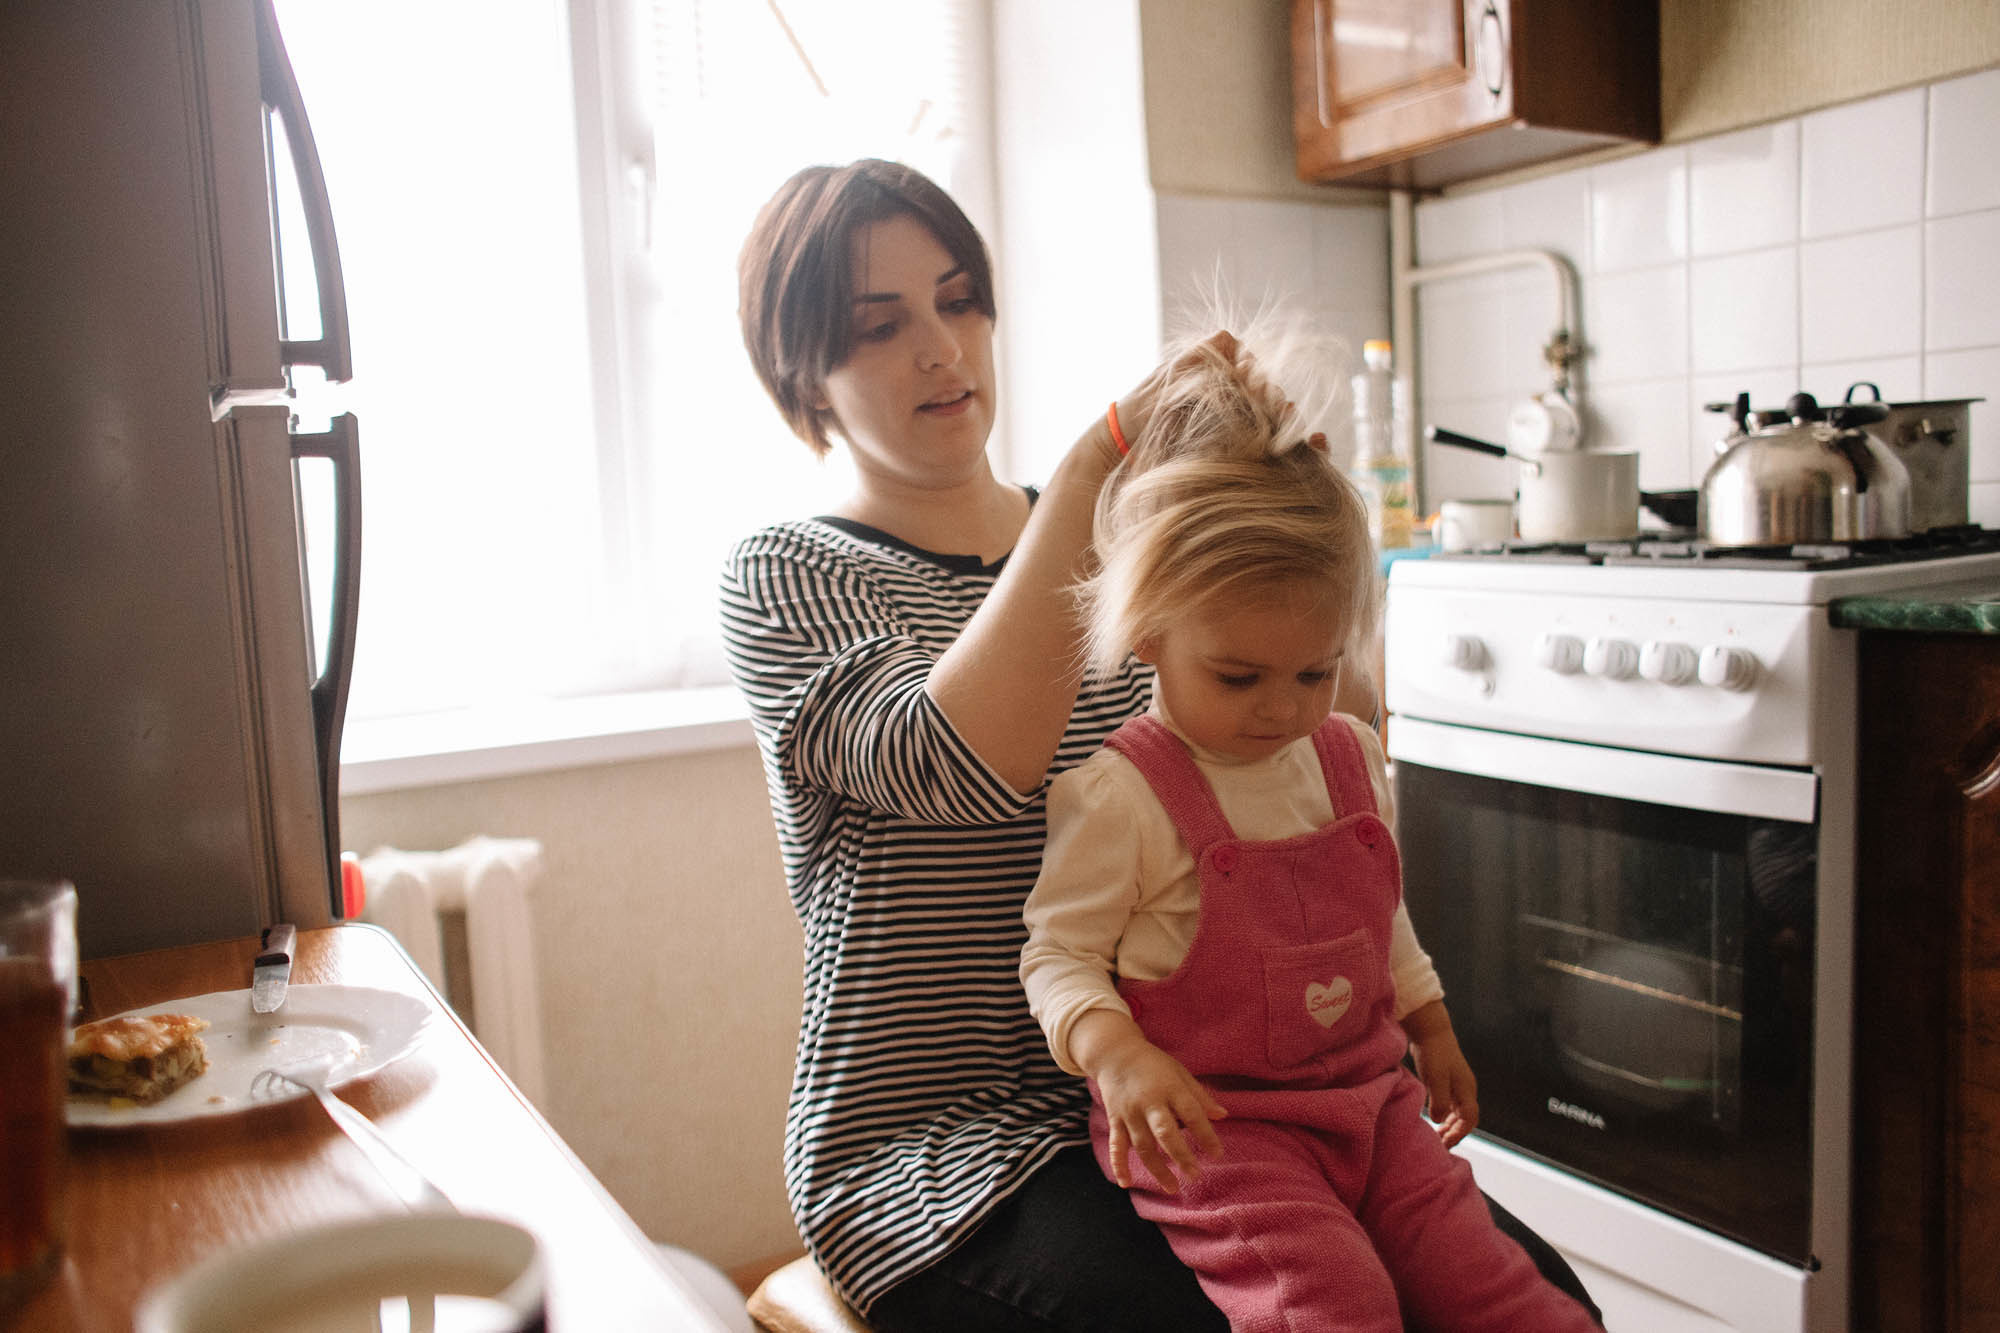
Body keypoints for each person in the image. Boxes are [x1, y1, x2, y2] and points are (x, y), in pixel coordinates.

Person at [722, 156, 1600, 1332]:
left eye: (959, 301)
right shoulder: (788, 574)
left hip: (1235, 1100)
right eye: (880, 326)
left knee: (1544, 1301)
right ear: (801, 374)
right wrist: (1097, 464)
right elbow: (962, 762)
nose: (941, 348)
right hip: (945, 1151)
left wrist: (1299, 544)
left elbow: (1319, 745)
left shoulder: (1139, 538)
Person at [1019, 329, 1602, 1331]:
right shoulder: (1124, 795)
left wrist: (1430, 1020)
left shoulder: (1343, 756)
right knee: (1331, 1301)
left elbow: (1378, 917)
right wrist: (1116, 1054)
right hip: (1217, 1133)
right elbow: (1056, 953)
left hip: (1372, 1104)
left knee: (1494, 1288)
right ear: (1149, 630)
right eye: (1238, 675)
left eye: (1315, 671)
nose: (1283, 708)